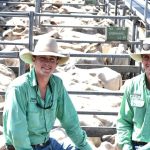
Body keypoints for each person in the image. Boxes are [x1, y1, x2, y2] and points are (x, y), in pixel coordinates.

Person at [3, 37, 92, 150]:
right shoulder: (19, 88)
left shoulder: (57, 84)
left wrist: (86, 147)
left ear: (57, 62)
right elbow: (18, 132)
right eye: (43, 58)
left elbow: (71, 121)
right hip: (24, 146)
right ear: (34, 59)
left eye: (52, 59)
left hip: (47, 143)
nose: (47, 63)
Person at [117, 38, 150, 150]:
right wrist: (126, 145)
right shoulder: (132, 85)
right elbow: (124, 120)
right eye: (146, 57)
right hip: (135, 145)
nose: (149, 62)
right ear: (141, 60)